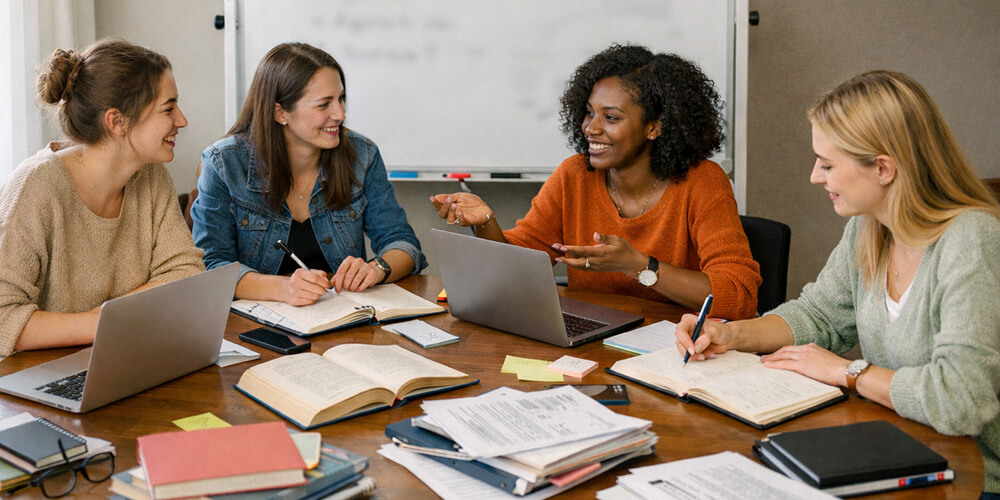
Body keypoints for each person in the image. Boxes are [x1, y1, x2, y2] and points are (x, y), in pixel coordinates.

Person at [674, 71, 1000, 498]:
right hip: (893, 452)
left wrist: (847, 372)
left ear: (883, 168)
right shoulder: (869, 228)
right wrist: (730, 334)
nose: (815, 176)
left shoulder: (971, 239)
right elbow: (819, 315)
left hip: (971, 479)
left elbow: (960, 400)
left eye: (827, 164)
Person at [430, 44, 760, 318]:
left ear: (654, 126)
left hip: (676, 352)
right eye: (589, 112)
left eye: (611, 117)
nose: (590, 127)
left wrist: (639, 266)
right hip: (594, 345)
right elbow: (513, 269)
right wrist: (486, 222)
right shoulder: (574, 175)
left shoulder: (702, 182)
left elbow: (739, 295)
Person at [0, 38, 205, 356]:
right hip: (42, 370)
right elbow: (3, 318)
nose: (182, 120)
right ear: (117, 122)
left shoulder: (151, 175)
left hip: (121, 354)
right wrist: (104, 322)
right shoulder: (35, 186)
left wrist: (114, 316)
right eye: (168, 108)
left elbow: (186, 271)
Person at [191, 43, 426, 306]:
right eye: (324, 105)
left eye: (341, 99)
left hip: (345, 317)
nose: (340, 114)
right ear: (280, 112)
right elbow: (211, 265)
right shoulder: (222, 163)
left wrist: (377, 268)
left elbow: (403, 243)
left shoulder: (363, 154)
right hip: (257, 322)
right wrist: (281, 289)